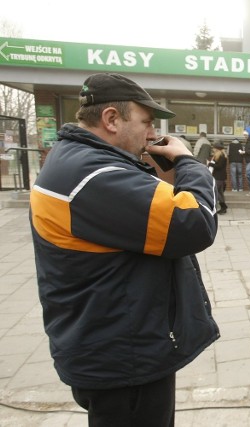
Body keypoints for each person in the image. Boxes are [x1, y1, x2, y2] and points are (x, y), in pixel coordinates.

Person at [29, 72, 220, 426]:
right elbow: (195, 223)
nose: (152, 133)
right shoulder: (94, 176)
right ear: (111, 119)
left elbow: (142, 211)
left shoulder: (76, 160)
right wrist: (188, 162)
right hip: (124, 356)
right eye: (146, 122)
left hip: (110, 343)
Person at [209, 141, 228, 214]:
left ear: (217, 149)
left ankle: (223, 206)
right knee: (220, 192)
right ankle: (223, 207)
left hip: (219, 177)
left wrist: (210, 164)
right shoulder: (220, 156)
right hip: (219, 176)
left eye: (214, 148)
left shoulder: (222, 156)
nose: (213, 149)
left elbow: (219, 166)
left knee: (217, 192)